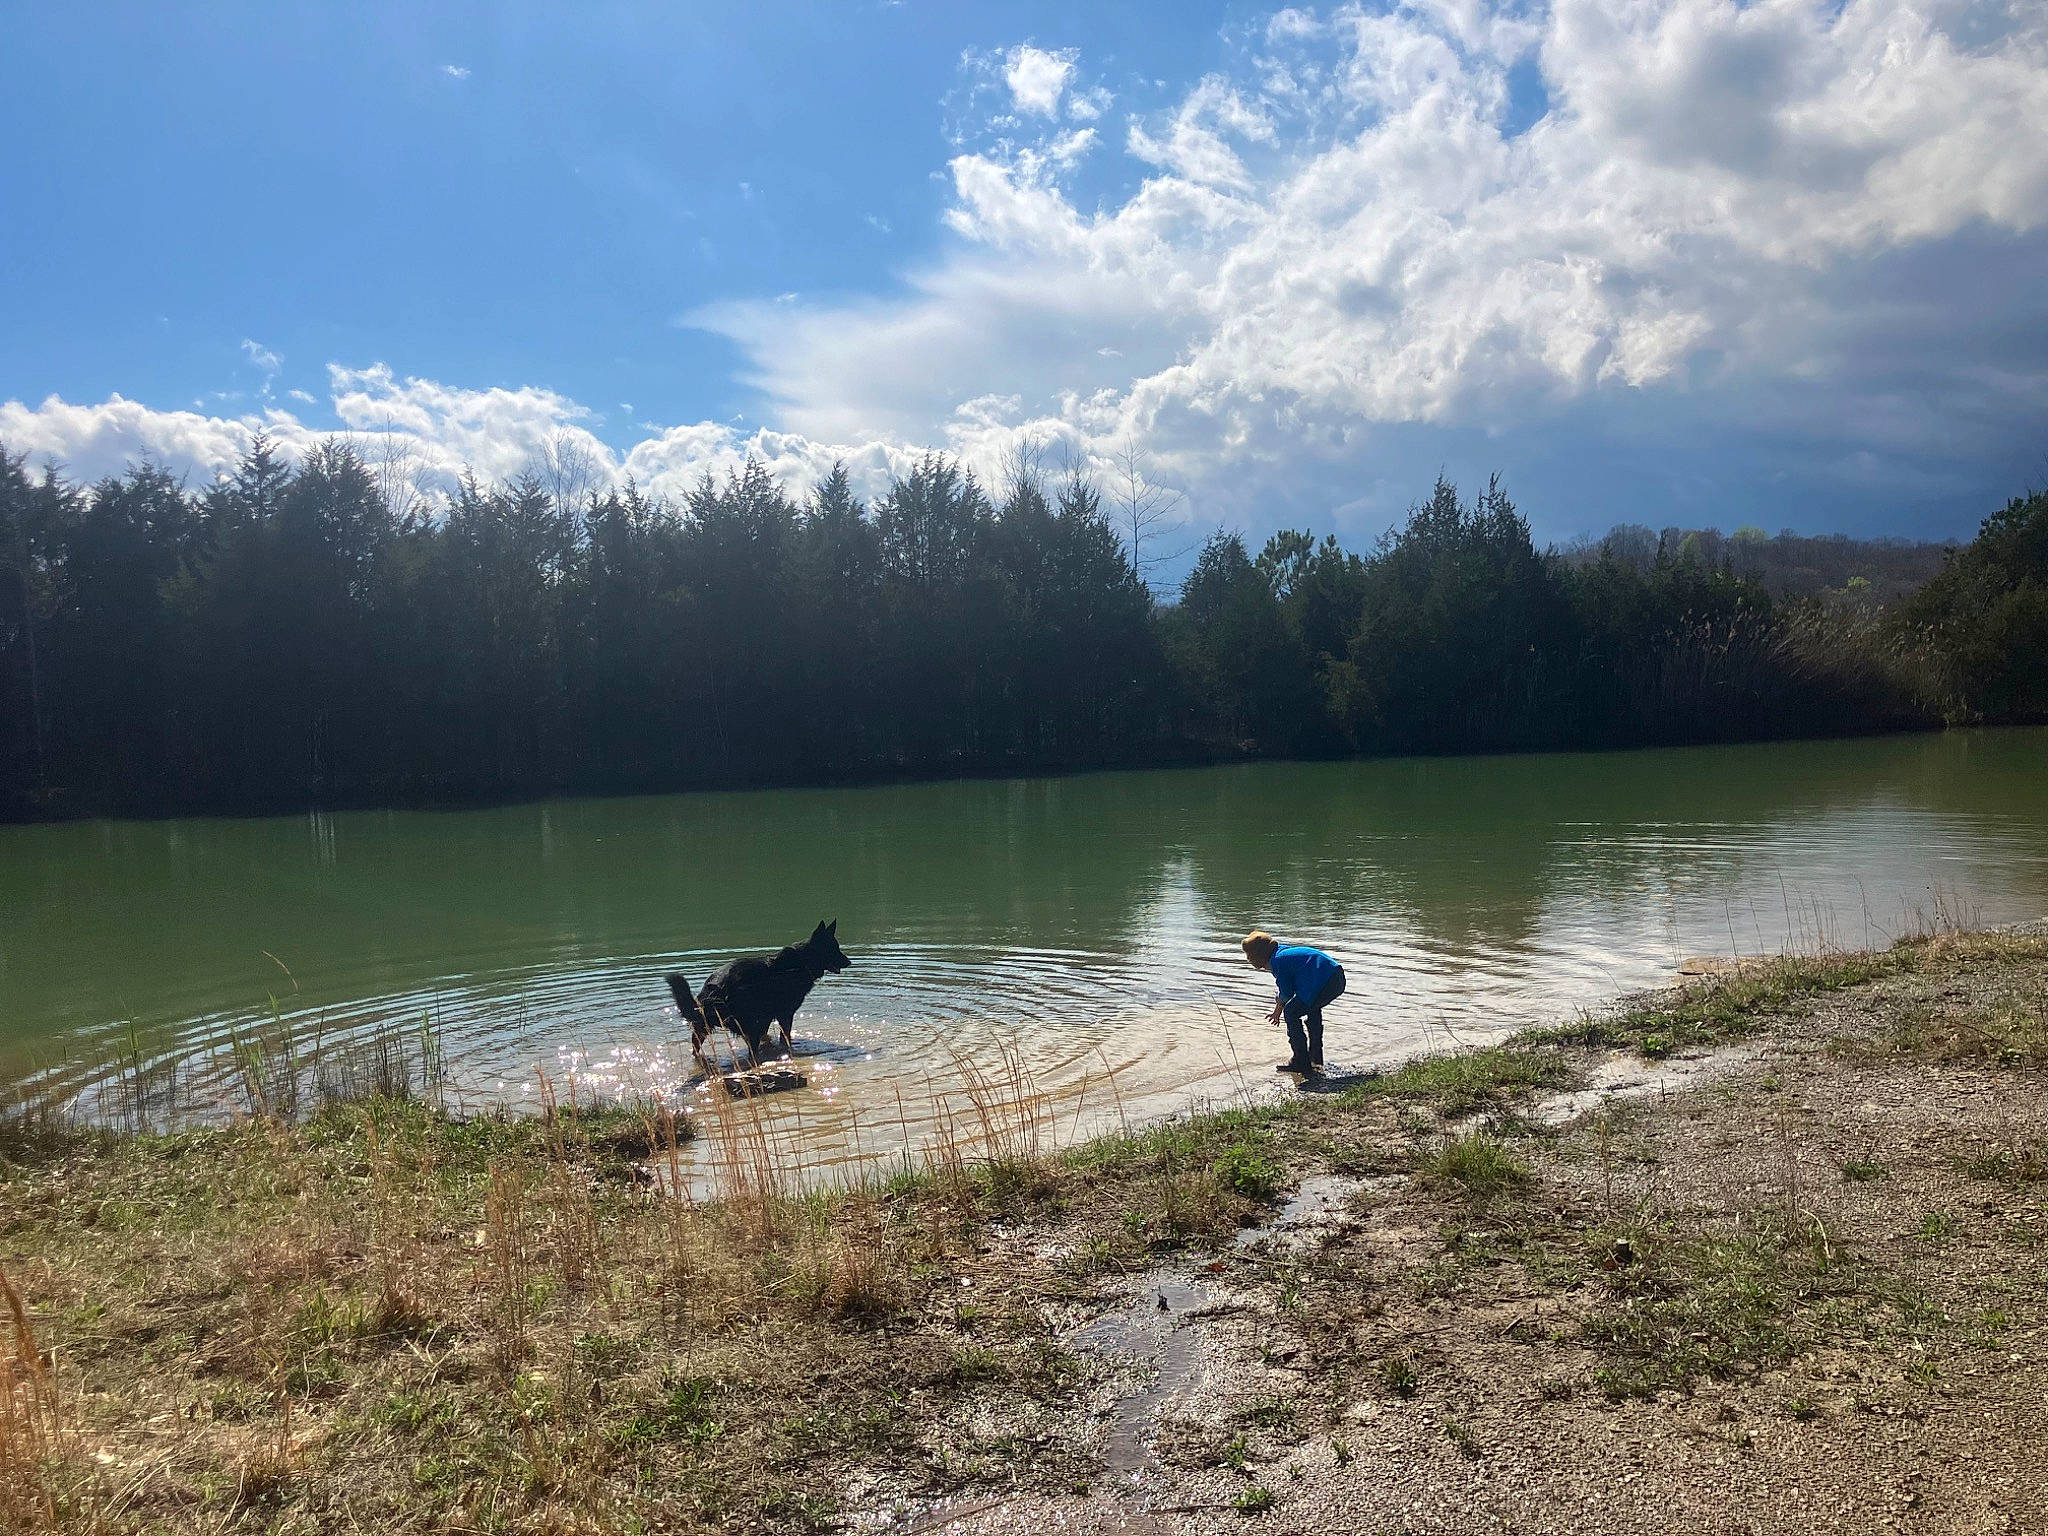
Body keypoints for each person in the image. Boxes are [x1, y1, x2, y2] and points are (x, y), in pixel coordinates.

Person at [1241, 930, 1345, 1075]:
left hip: (1324, 981)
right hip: (1336, 977)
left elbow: (1286, 992)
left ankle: (1300, 1061)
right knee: (1311, 1009)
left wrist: (1279, 1010)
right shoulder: (1281, 952)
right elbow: (1289, 989)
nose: (1249, 960)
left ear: (1260, 957)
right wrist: (1278, 1010)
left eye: (1251, 958)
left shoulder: (1277, 961)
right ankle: (1316, 1058)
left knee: (1291, 1012)